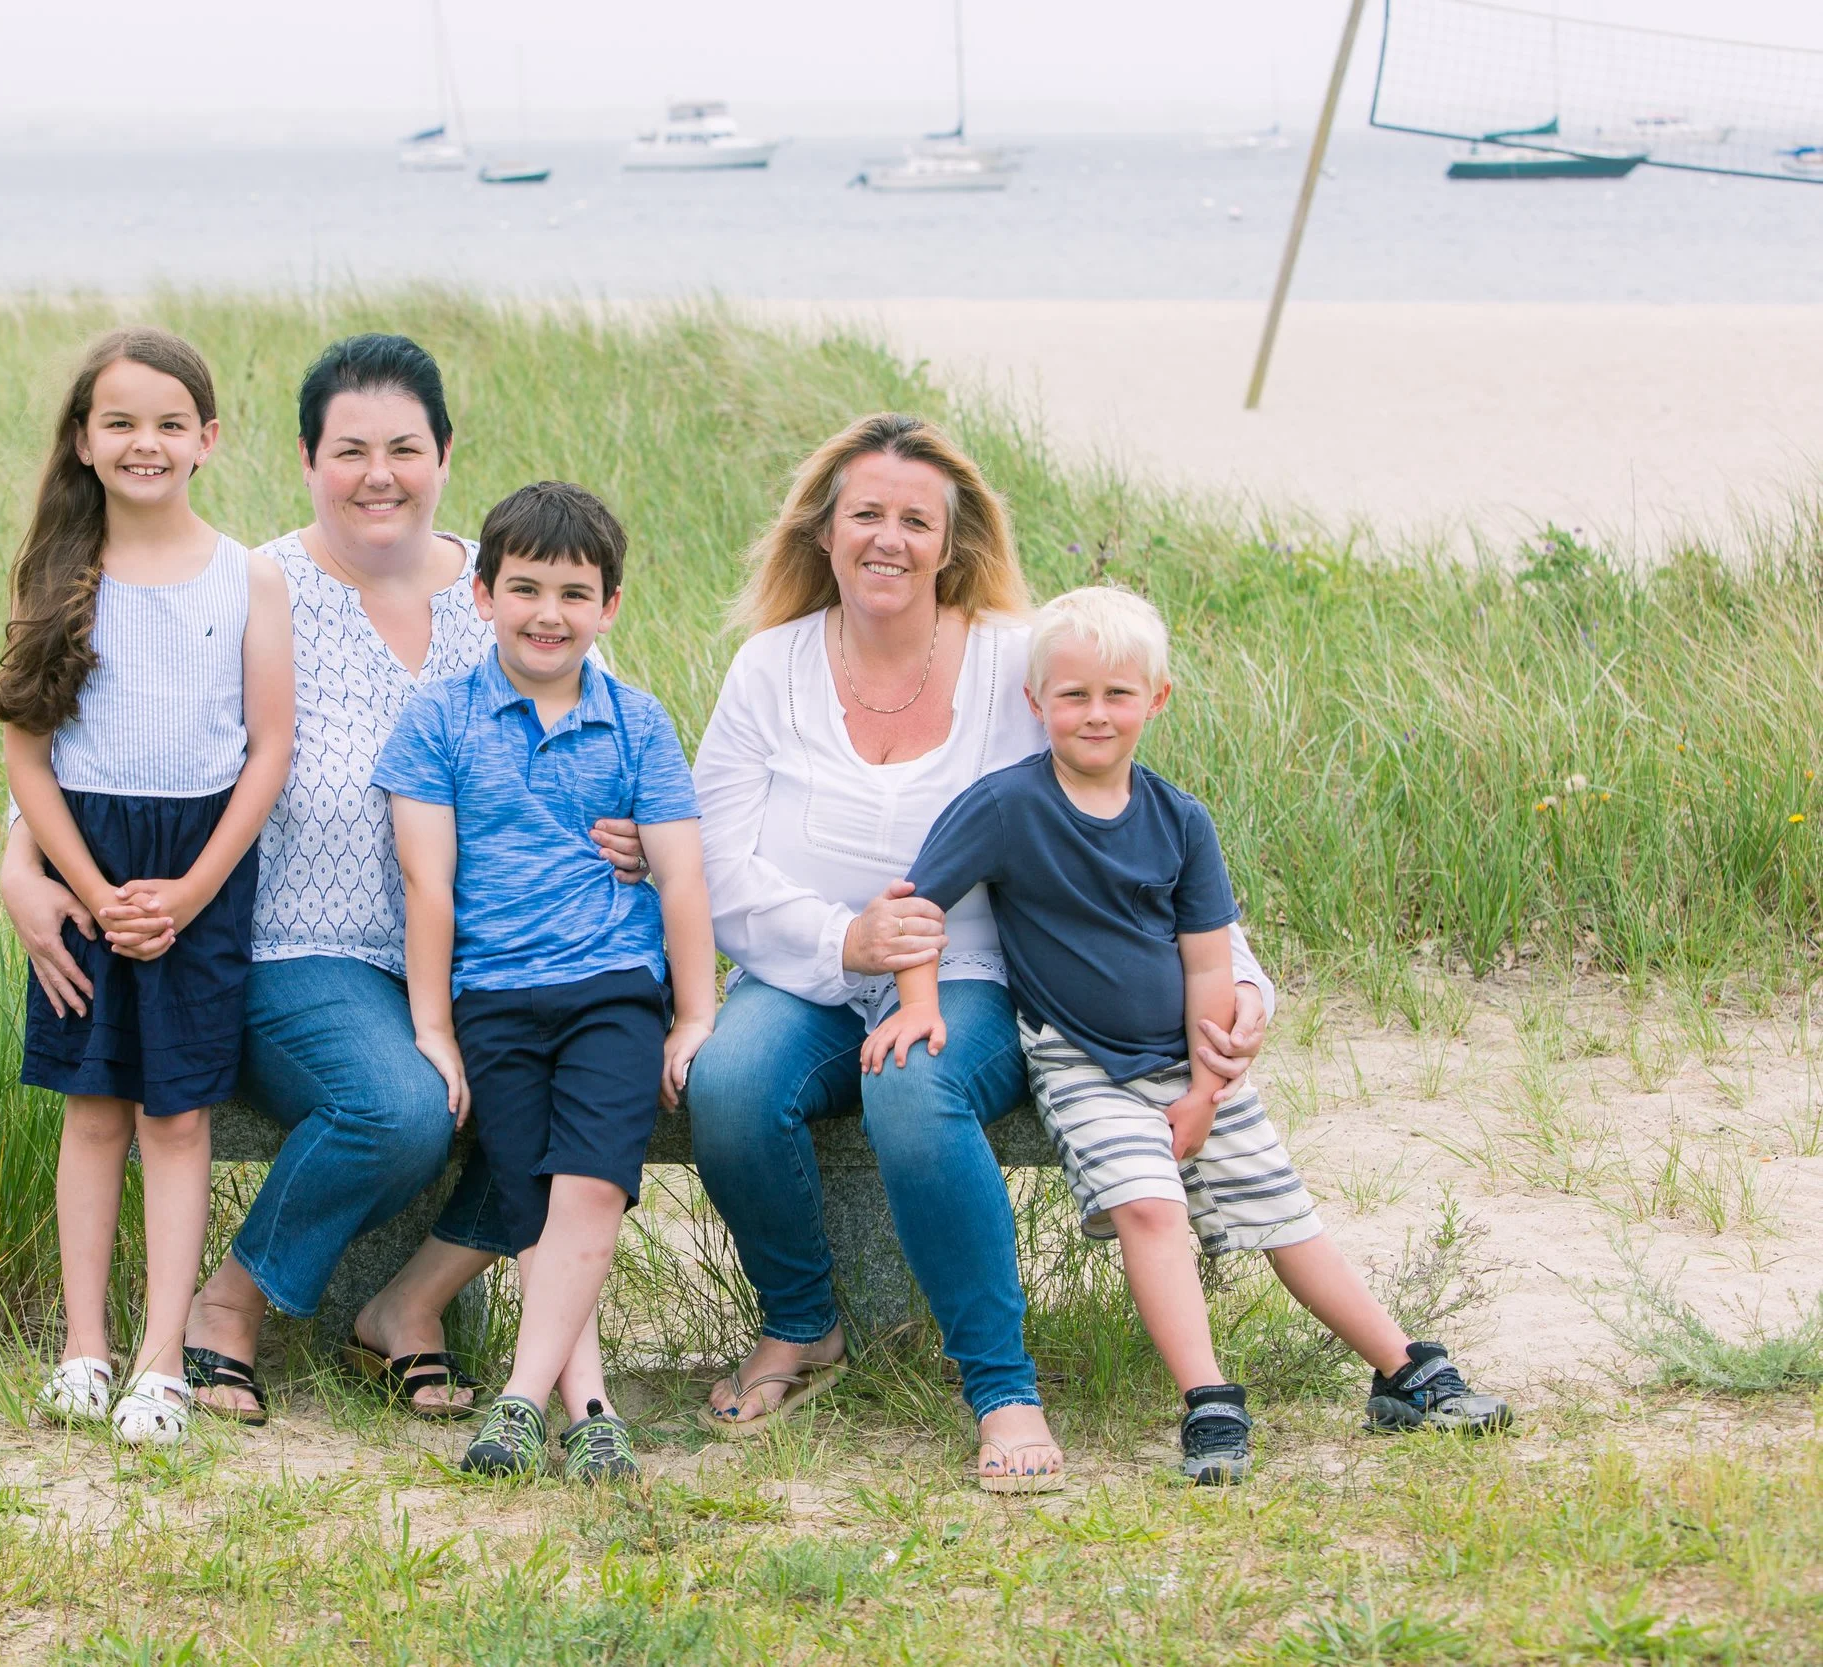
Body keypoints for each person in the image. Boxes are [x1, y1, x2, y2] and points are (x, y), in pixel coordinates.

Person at [0, 334, 647, 1423]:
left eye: (404, 448)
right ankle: (229, 1303)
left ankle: (410, 1302)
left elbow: (614, 747)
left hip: (489, 951)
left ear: (445, 454)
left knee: (570, 1075)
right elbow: (119, 742)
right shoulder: (256, 583)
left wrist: (634, 836)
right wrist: (17, 862)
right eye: (350, 450)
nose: (378, 474)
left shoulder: (512, 592)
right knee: (400, 1106)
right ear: (305, 458)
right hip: (298, 950)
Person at [685, 412, 1278, 1493]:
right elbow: (716, 861)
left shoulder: (1017, 660)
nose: (889, 538)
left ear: (951, 542)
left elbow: (1130, 826)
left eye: (916, 520)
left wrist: (1237, 973)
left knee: (915, 1086)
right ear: (825, 530)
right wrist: (845, 937)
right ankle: (803, 1321)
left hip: (973, 976)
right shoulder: (769, 667)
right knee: (727, 1081)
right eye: (866, 513)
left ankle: (1001, 1387)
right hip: (806, 968)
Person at [867, 585, 1512, 1485]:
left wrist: (1206, 1090)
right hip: (1080, 1060)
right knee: (1149, 1205)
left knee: (1284, 1214)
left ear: (1157, 698)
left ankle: (1402, 1369)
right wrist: (918, 1003)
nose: (1096, 713)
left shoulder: (1180, 820)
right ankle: (1208, 1400)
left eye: (1118, 694)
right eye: (1074, 694)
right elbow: (916, 905)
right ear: (1036, 701)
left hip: (1189, 1061)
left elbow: (1210, 963)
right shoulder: (1007, 807)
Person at [0, 328, 295, 1446]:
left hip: (200, 869)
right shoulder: (56, 575)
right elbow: (27, 755)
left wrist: (193, 890)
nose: (144, 442)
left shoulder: (246, 575)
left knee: (176, 1117)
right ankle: (84, 1346)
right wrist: (85, 885)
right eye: (119, 422)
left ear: (208, 438)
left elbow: (269, 748)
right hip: (88, 866)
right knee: (94, 1111)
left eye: (169, 422)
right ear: (83, 439)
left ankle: (163, 1358)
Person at [375, 483, 714, 1483]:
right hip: (493, 994)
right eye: (524, 588)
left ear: (609, 606)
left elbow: (682, 875)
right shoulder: (437, 719)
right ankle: (590, 1407)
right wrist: (433, 1026)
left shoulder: (637, 723)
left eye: (574, 593)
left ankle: (524, 1401)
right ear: (481, 594)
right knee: (529, 1190)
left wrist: (695, 1013)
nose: (548, 613)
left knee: (592, 1181)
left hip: (613, 986)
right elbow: (427, 885)